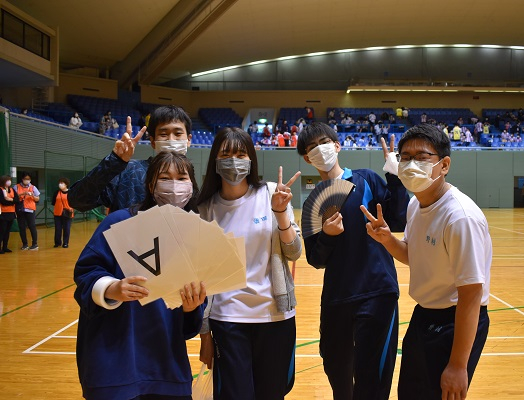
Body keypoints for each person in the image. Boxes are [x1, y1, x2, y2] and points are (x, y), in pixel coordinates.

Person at [360, 123, 491, 400]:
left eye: (421, 157)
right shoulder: (415, 205)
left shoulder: (460, 217)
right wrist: (387, 240)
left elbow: (471, 294)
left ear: (444, 165)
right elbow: (414, 256)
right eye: (405, 157)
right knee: (409, 393)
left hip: (455, 320)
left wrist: (457, 366)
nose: (410, 164)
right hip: (424, 315)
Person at [74, 151, 208, 400]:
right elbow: (85, 272)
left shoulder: (196, 238)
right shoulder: (120, 222)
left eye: (181, 177)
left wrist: (192, 309)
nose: (174, 185)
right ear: (150, 185)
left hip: (166, 368)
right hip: (114, 367)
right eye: (165, 178)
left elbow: (189, 325)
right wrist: (111, 289)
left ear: (192, 185)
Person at [295, 122, 409, 399]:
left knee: (372, 380)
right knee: (338, 375)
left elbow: (398, 218)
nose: (318, 150)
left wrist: (395, 176)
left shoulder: (366, 179)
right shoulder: (313, 202)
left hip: (377, 291)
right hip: (337, 298)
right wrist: (329, 236)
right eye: (311, 148)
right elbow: (315, 259)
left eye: (323, 142)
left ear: (337, 145)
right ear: (306, 158)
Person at [197, 127, 302, 400]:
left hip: (274, 316)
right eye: (226, 153)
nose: (234, 160)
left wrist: (280, 213)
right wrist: (205, 334)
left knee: (273, 394)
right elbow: (202, 275)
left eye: (241, 153)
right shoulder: (205, 208)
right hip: (227, 318)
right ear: (215, 160)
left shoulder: (271, 194)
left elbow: (294, 252)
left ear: (251, 159)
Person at [68, 105, 192, 213]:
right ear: (153, 142)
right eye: (163, 134)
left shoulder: (191, 182)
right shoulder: (128, 172)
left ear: (189, 140)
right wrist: (113, 162)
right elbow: (77, 201)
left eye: (178, 133)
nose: (171, 139)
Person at [14, 172, 40, 251]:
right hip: (20, 209)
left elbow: (37, 199)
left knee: (32, 226)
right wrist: (23, 193)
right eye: (25, 179)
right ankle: (25, 244)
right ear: (22, 179)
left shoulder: (33, 187)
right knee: (22, 227)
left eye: (28, 179)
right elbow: (14, 197)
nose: (27, 180)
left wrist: (32, 195)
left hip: (30, 209)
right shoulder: (16, 187)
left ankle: (34, 244)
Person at [51, 177, 74, 248]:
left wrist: (70, 208)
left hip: (67, 213)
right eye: (59, 183)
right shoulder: (56, 192)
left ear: (66, 184)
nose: (60, 184)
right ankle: (57, 243)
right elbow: (53, 202)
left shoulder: (71, 192)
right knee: (58, 229)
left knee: (66, 228)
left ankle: (65, 243)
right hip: (57, 213)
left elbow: (74, 203)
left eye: (62, 183)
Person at [0, 175, 17, 254]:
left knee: (7, 231)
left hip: (11, 213)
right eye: (7, 180)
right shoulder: (0, 190)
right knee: (2, 231)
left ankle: (5, 247)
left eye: (10, 180)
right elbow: (3, 201)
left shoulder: (12, 190)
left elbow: (17, 200)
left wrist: (10, 199)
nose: (9, 182)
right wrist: (10, 201)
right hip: (3, 213)